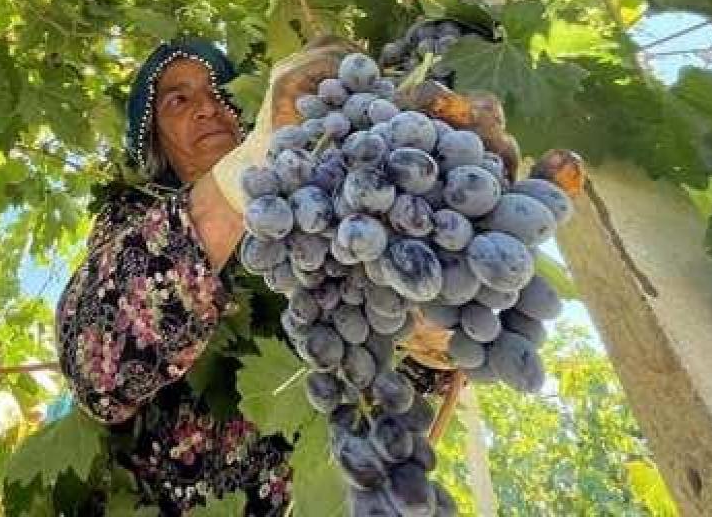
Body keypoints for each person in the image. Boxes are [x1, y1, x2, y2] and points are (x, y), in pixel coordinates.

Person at [54, 38, 445, 515]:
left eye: (221, 91)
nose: (208, 109)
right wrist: (251, 165)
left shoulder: (325, 211)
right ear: (154, 140)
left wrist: (433, 334)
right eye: (179, 99)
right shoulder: (135, 219)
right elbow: (98, 365)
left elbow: (388, 377)